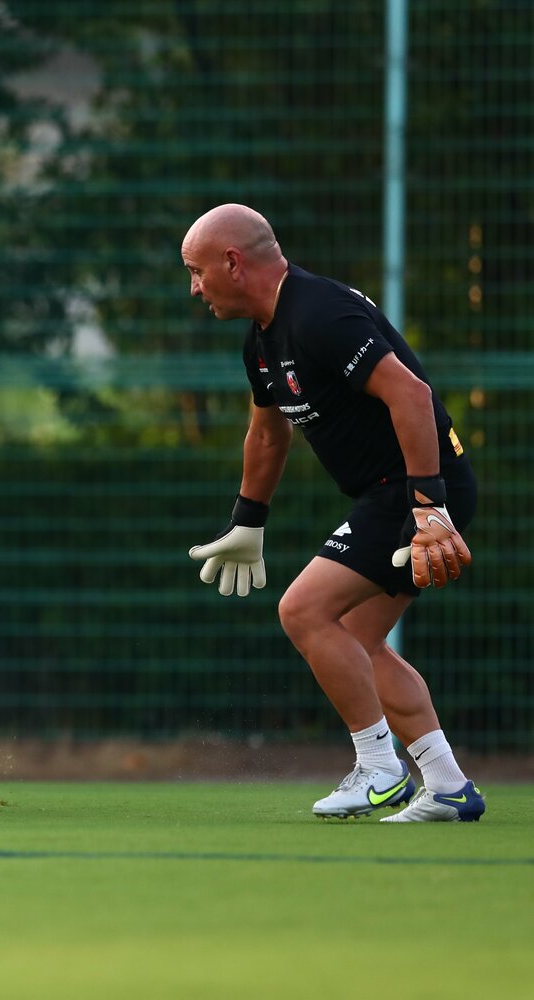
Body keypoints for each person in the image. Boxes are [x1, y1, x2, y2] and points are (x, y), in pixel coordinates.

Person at [181, 203, 483, 822]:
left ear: (233, 263)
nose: (194, 287)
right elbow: (268, 435)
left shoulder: (318, 312)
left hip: (413, 489)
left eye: (197, 270)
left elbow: (411, 393)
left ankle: (378, 770)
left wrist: (428, 508)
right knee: (359, 642)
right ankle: (449, 786)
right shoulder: (262, 341)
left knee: (304, 610)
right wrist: (248, 519)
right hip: (394, 492)